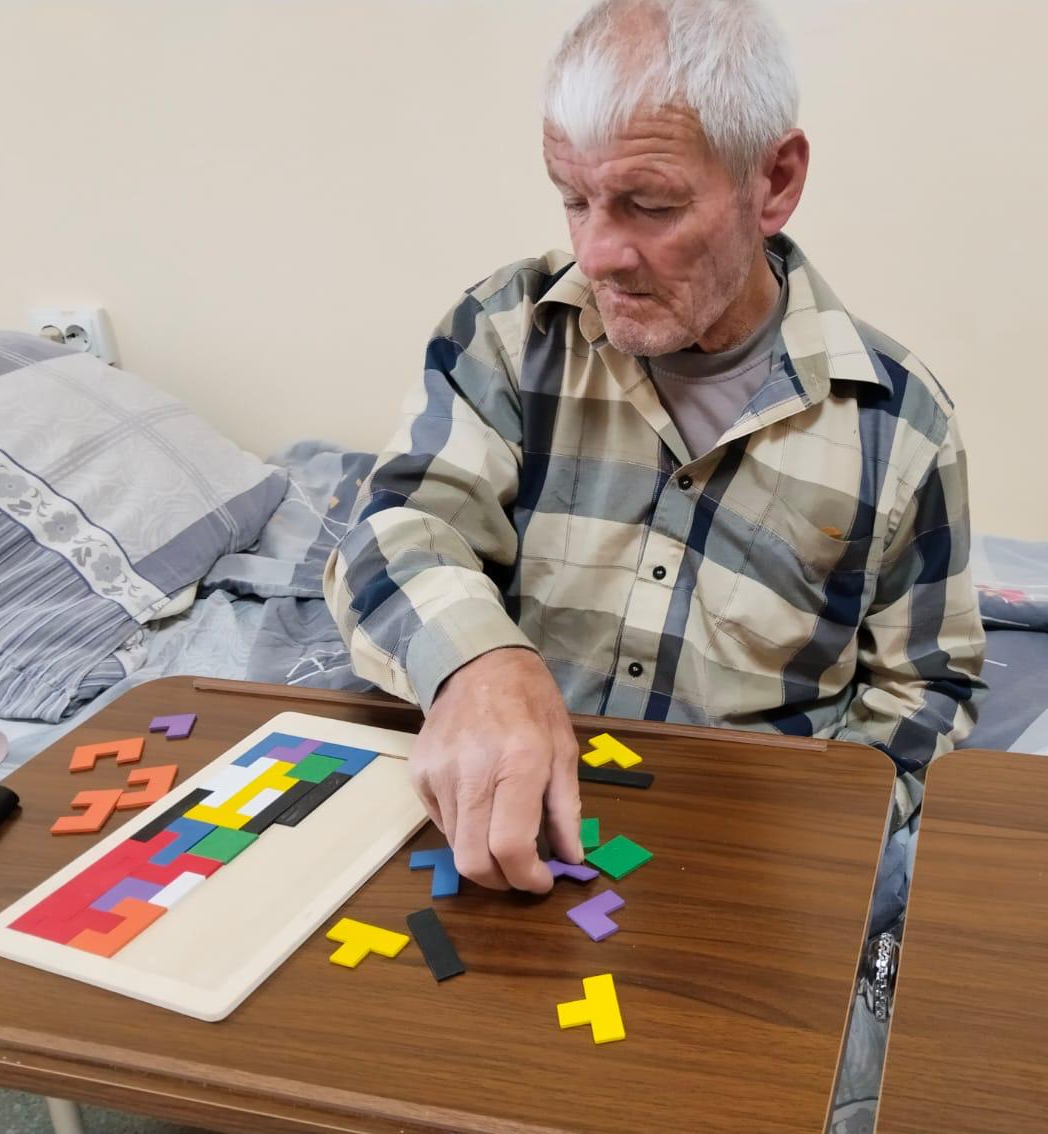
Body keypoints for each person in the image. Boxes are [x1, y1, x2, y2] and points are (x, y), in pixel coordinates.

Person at [324, 0, 987, 902]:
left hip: (745, 871)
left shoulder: (899, 425)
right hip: (500, 833)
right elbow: (400, 529)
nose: (598, 254)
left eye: (650, 205)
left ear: (775, 181)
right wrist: (478, 666)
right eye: (574, 199)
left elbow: (926, 692)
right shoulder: (508, 334)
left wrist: (815, 853)